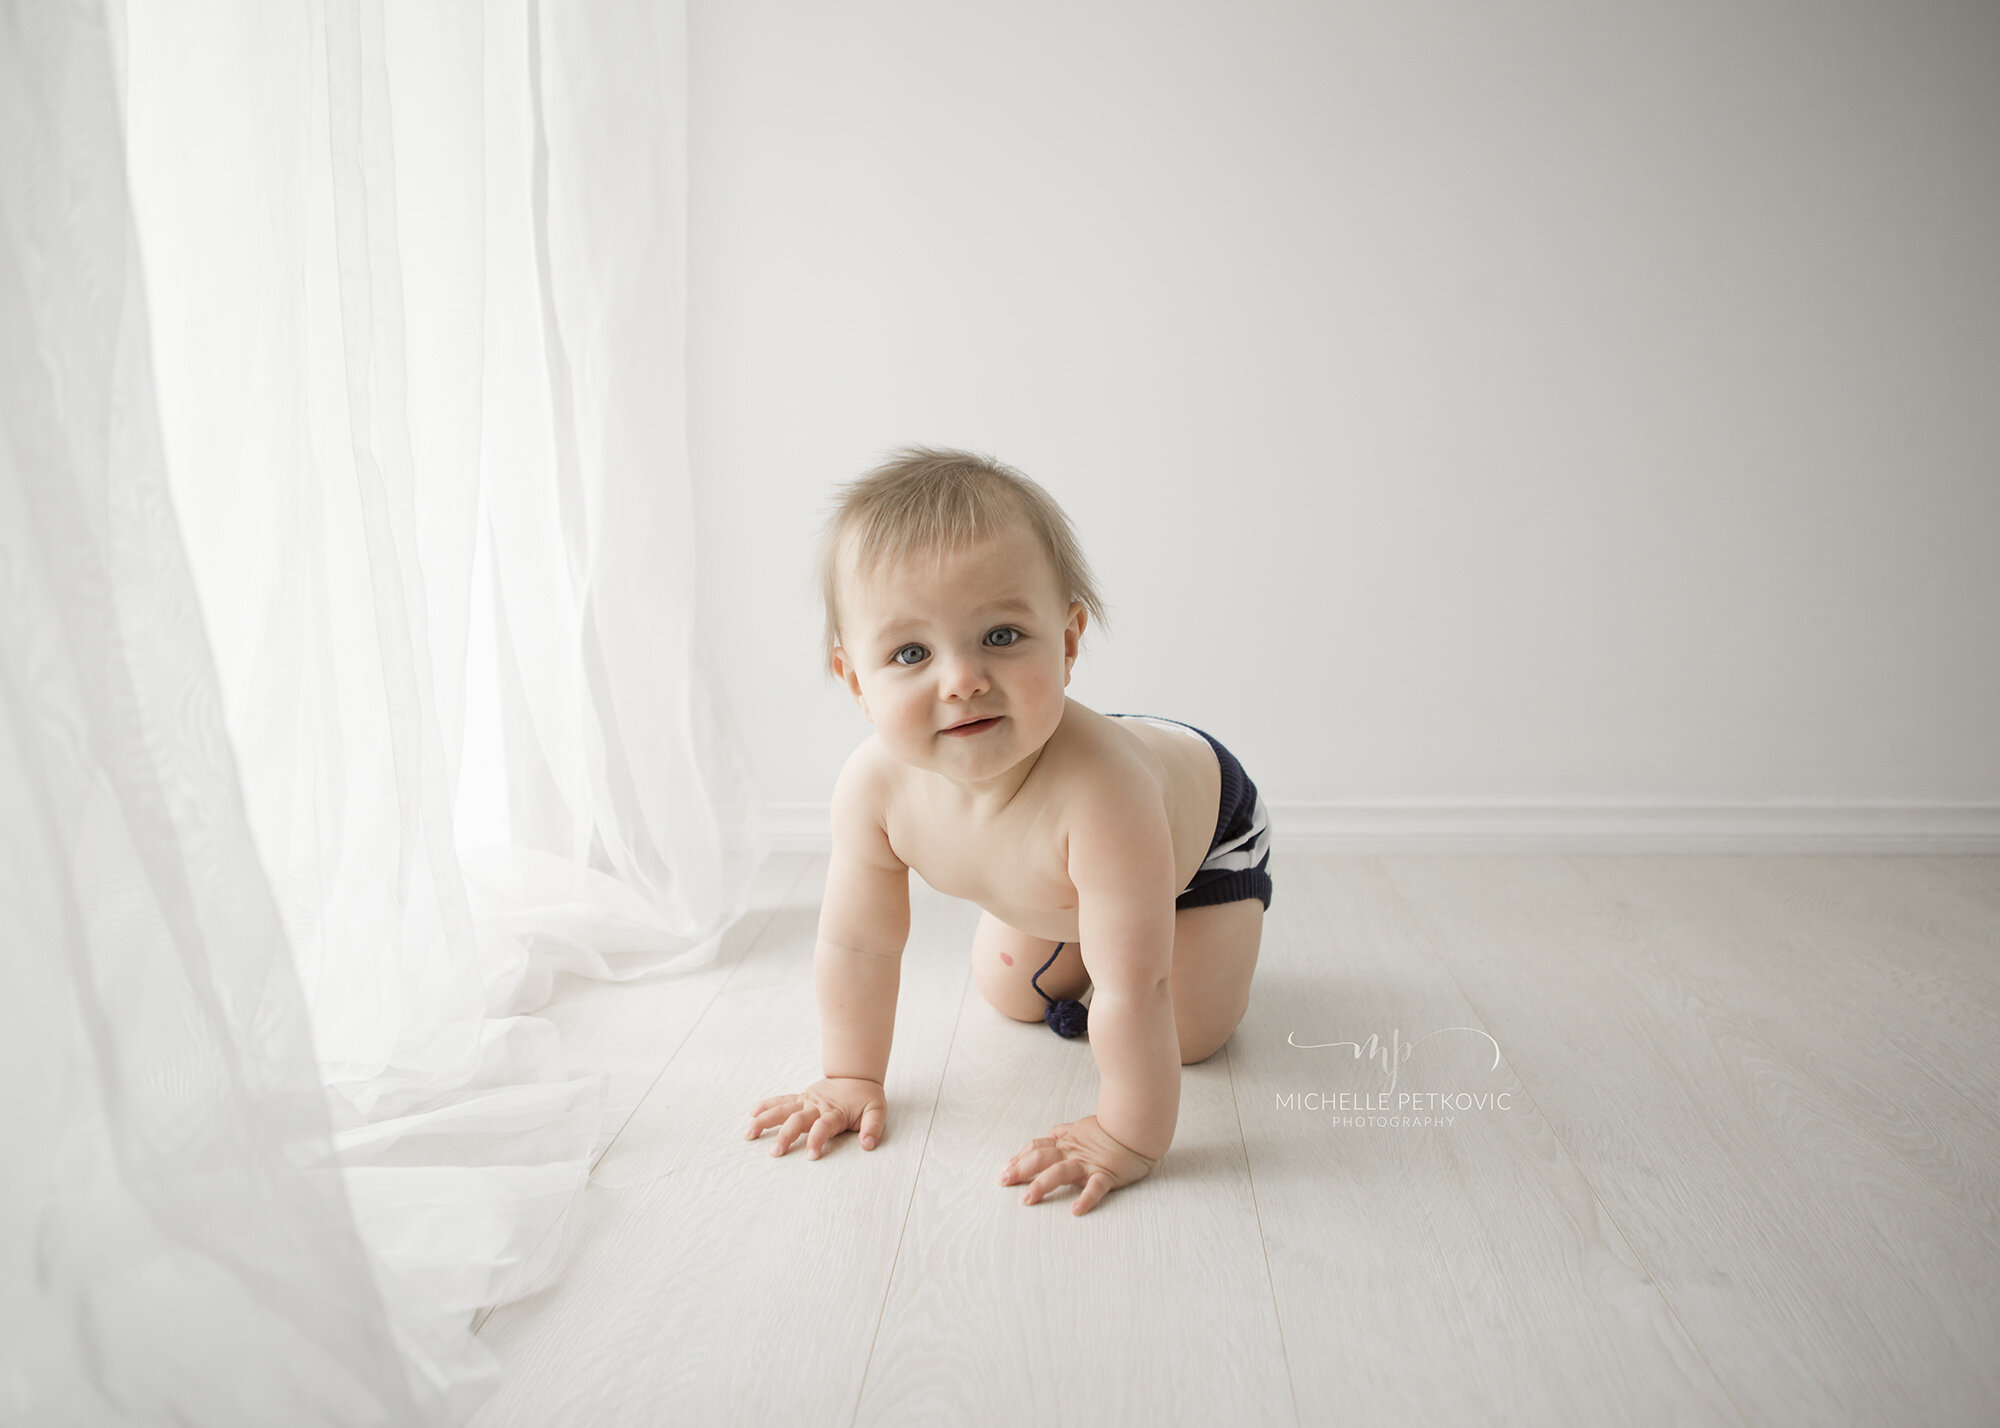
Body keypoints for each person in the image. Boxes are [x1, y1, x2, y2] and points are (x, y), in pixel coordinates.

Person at [743, 446, 1272, 1217]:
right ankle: (1086, 920)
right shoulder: (873, 787)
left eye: (1001, 636)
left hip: (1200, 834)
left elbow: (1139, 986)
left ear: (1067, 640)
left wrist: (1127, 1135)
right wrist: (849, 1076)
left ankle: (1130, 924)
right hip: (1067, 852)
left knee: (1183, 1031)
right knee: (1007, 990)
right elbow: (858, 945)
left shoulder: (1106, 796)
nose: (961, 680)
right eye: (911, 652)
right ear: (856, 680)